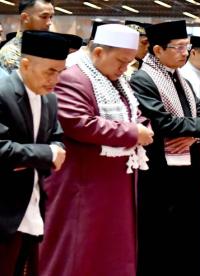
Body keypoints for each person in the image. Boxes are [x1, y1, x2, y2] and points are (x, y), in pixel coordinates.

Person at [39, 24, 153, 276]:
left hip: (115, 181)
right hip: (82, 183)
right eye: (121, 61)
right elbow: (79, 123)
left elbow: (136, 113)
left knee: (112, 250)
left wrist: (143, 127)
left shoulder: (117, 79)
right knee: (78, 250)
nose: (125, 68)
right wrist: (134, 132)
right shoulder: (72, 78)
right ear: (99, 52)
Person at [130, 20, 200, 276]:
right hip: (160, 174)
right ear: (157, 50)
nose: (184, 53)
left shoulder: (183, 80)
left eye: (186, 47)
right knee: (161, 237)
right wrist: (197, 127)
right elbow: (162, 123)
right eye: (177, 47)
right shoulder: (143, 79)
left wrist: (194, 135)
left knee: (190, 235)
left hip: (189, 169)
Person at [0, 30, 67, 276]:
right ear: (26, 64)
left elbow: (57, 139)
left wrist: (52, 151)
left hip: (33, 204)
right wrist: (45, 154)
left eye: (60, 72)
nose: (56, 79)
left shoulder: (50, 99)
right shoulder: (2, 92)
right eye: (50, 71)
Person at [0, 0, 54, 73]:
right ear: (25, 18)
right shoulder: (11, 53)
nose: (49, 23)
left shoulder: (46, 46)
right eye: (44, 17)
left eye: (51, 17)